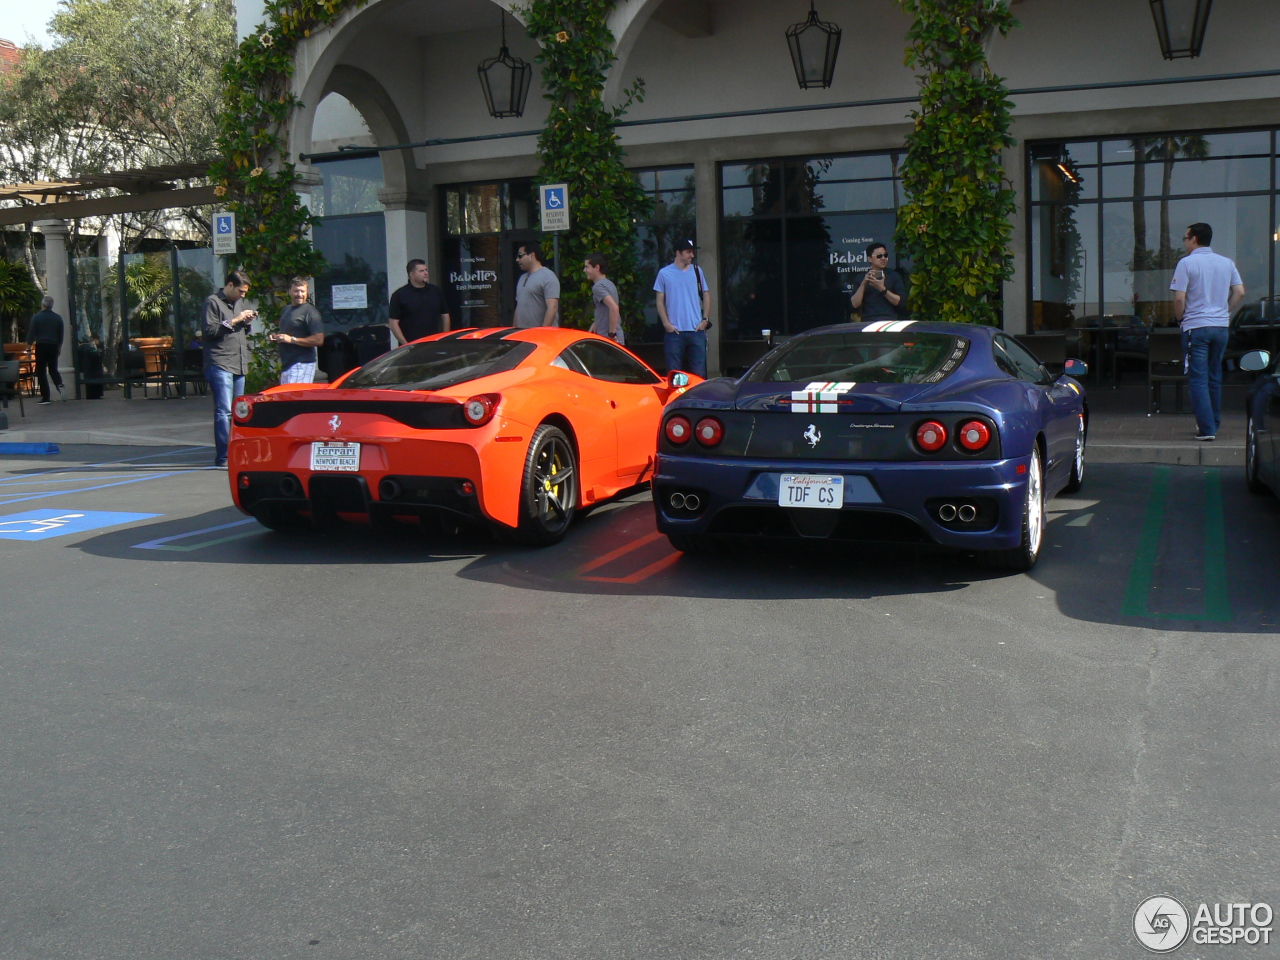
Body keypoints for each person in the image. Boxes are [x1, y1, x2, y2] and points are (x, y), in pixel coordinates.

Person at [1171, 222, 1245, 441]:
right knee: (1214, 376)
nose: (1184, 242)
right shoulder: (1226, 263)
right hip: (1220, 327)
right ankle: (1214, 422)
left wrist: (1180, 318)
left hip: (1196, 327)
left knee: (1197, 379)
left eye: (1185, 238)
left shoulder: (1186, 263)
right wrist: (1224, 311)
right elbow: (1240, 292)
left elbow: (1179, 297)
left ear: (1194, 239)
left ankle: (1207, 429)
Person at [202, 270, 258, 468]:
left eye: (245, 293)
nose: (243, 295)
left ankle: (236, 454)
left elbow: (241, 330)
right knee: (224, 411)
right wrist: (235, 319)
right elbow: (209, 331)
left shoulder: (239, 303)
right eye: (241, 291)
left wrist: (247, 322)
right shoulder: (213, 302)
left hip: (239, 362)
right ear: (230, 286)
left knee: (238, 411)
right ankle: (224, 457)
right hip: (220, 362)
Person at [654, 238, 710, 378]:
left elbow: (706, 294)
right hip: (675, 332)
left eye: (692, 252)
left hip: (696, 330)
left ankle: (699, 400)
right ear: (678, 253)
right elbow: (659, 300)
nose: (692, 255)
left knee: (699, 375)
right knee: (674, 376)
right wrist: (666, 323)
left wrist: (705, 320)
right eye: (688, 252)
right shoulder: (664, 273)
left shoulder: (697, 271)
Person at [270, 277, 325, 383]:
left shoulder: (310, 312)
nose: (299, 294)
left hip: (302, 363)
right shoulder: (286, 310)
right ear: (289, 291)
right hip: (287, 364)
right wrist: (277, 336)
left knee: (294, 398)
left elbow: (319, 340)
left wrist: (292, 339)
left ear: (307, 292)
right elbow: (288, 334)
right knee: (286, 398)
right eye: (296, 291)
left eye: (302, 291)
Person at [388, 259, 450, 345]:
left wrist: (444, 338)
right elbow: (393, 323)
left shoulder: (436, 291)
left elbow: (445, 316)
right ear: (412, 275)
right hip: (411, 346)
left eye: (426, 270)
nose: (426, 273)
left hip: (434, 344)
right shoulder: (399, 295)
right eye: (421, 271)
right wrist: (405, 345)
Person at [850, 242, 906, 321]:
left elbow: (900, 303)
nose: (883, 258)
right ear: (869, 259)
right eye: (879, 256)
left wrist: (882, 289)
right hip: (868, 321)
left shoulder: (894, 276)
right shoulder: (861, 278)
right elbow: (855, 304)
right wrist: (863, 284)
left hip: (889, 321)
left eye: (885, 255)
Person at [26, 295, 65, 404]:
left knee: (41, 371)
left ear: (43, 304)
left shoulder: (37, 317)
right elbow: (60, 335)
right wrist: (59, 347)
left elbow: (31, 334)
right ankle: (60, 385)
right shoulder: (58, 318)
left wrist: (29, 349)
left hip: (42, 345)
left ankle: (46, 397)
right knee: (53, 369)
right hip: (53, 346)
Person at [514, 243, 560, 327]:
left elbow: (552, 308)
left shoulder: (548, 276)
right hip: (523, 335)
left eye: (520, 256)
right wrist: (514, 331)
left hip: (541, 337)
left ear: (532, 255)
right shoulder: (522, 278)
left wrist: (542, 332)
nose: (517, 260)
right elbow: (518, 307)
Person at [584, 253, 623, 344]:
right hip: (613, 337)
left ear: (597, 268)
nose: (584, 270)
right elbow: (605, 309)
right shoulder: (609, 283)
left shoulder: (598, 287)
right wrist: (596, 324)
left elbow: (614, 307)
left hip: (608, 339)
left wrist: (611, 335)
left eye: (587, 267)